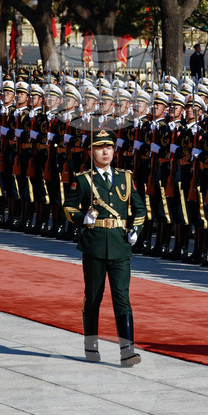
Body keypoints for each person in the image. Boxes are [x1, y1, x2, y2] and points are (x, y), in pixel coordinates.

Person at [63, 128, 146, 366]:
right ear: (91, 152)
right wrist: (83, 219)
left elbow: (140, 209)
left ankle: (127, 351)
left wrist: (135, 231)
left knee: (122, 297)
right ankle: (91, 346)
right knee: (93, 297)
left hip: (120, 246)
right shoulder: (83, 179)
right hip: (95, 245)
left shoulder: (125, 178)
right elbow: (69, 208)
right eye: (100, 147)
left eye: (109, 147)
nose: (106, 151)